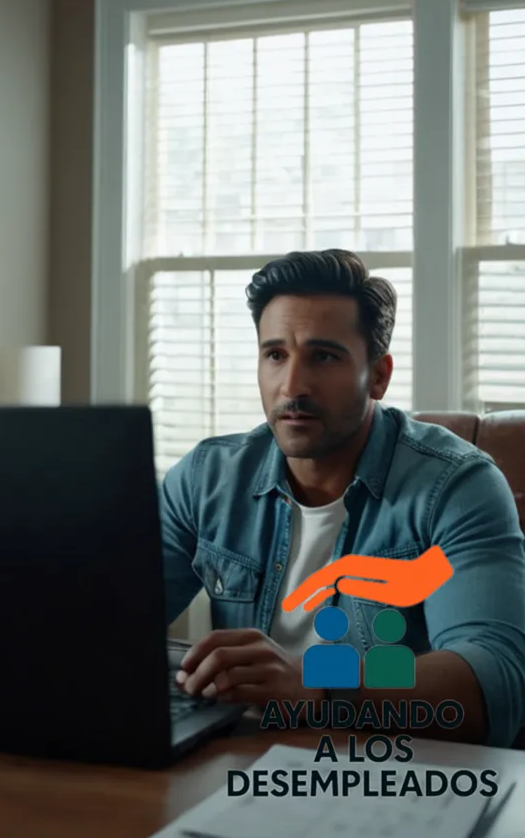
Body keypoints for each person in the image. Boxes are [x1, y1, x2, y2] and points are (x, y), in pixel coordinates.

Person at [159, 248, 525, 747]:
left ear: (378, 375)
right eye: (275, 355)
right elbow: (109, 619)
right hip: (241, 758)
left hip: (397, 776)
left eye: (323, 356)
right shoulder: (207, 477)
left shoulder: (457, 486)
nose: (292, 385)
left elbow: (495, 680)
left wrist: (319, 689)